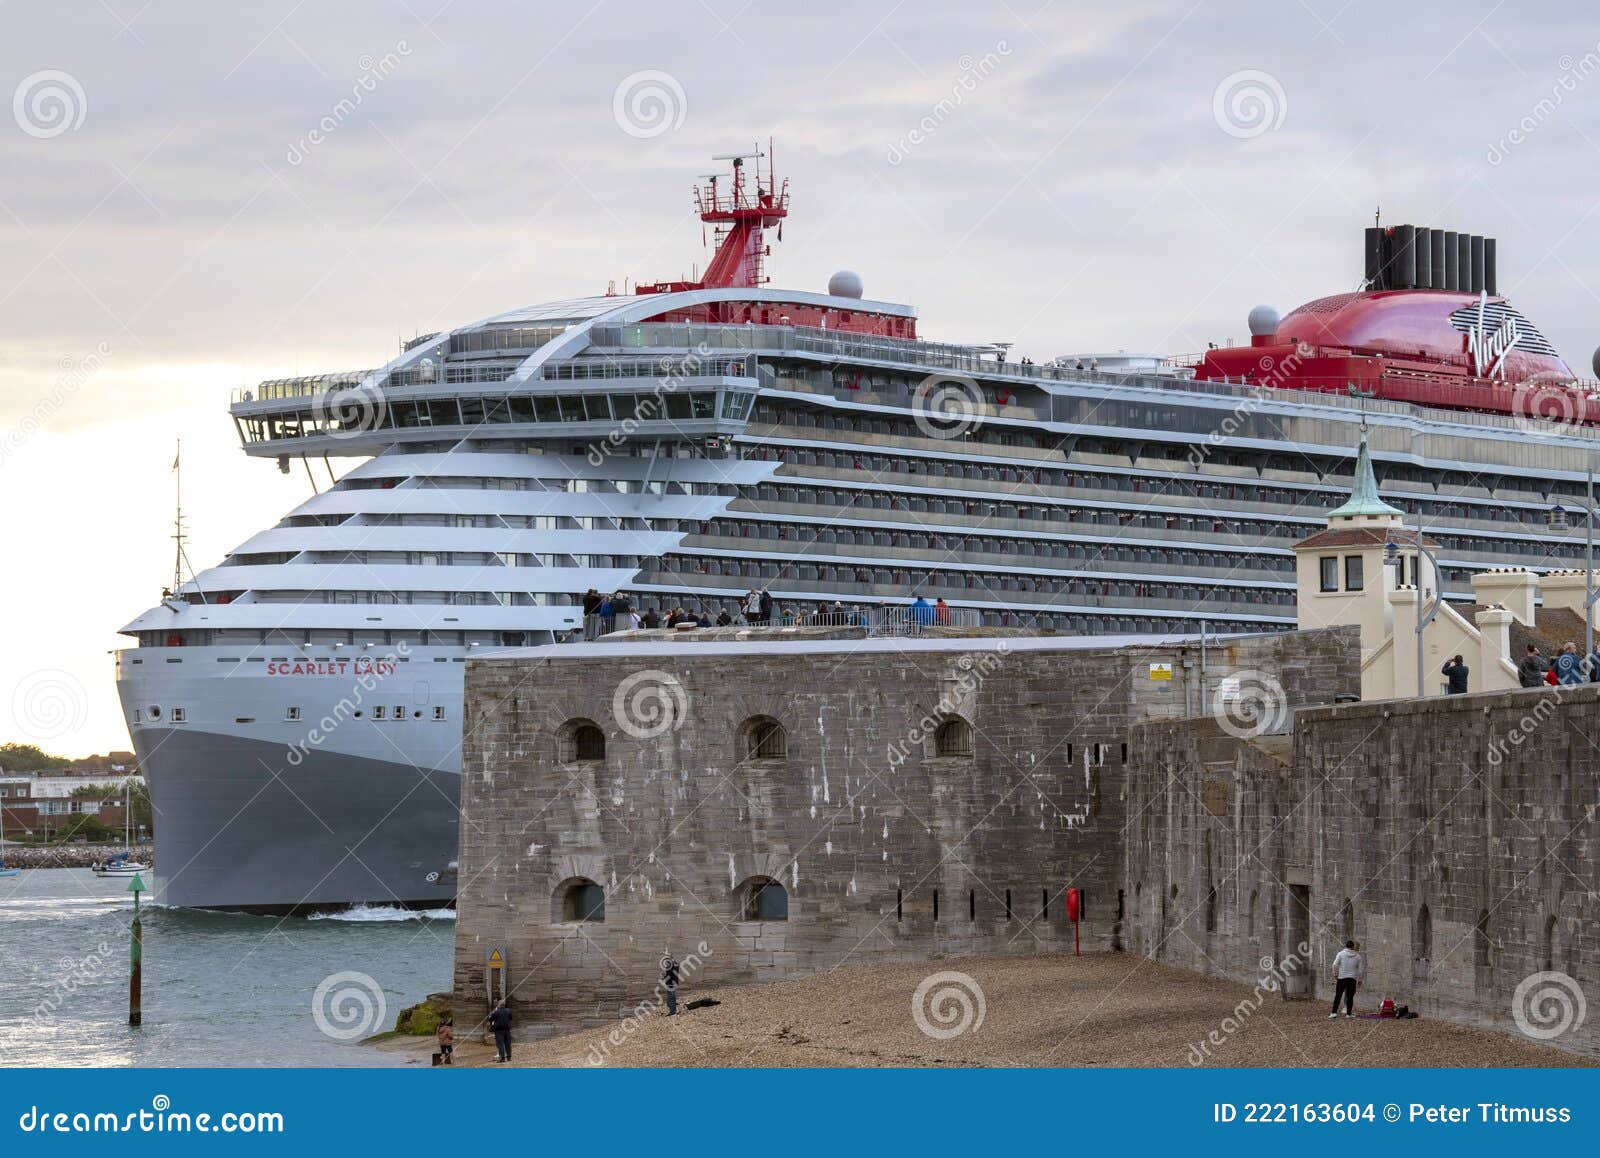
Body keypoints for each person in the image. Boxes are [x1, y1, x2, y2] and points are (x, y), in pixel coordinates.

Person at [1329, 940, 1364, 1019]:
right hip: (1352, 978)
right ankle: (1348, 1014)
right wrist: (1360, 980)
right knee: (1350, 996)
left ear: (1346, 946)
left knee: (1338, 995)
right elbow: (1361, 970)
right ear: (1353, 947)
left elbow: (1334, 965)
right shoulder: (1358, 956)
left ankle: (1333, 1013)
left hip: (1342, 977)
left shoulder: (1340, 954)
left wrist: (1335, 974)